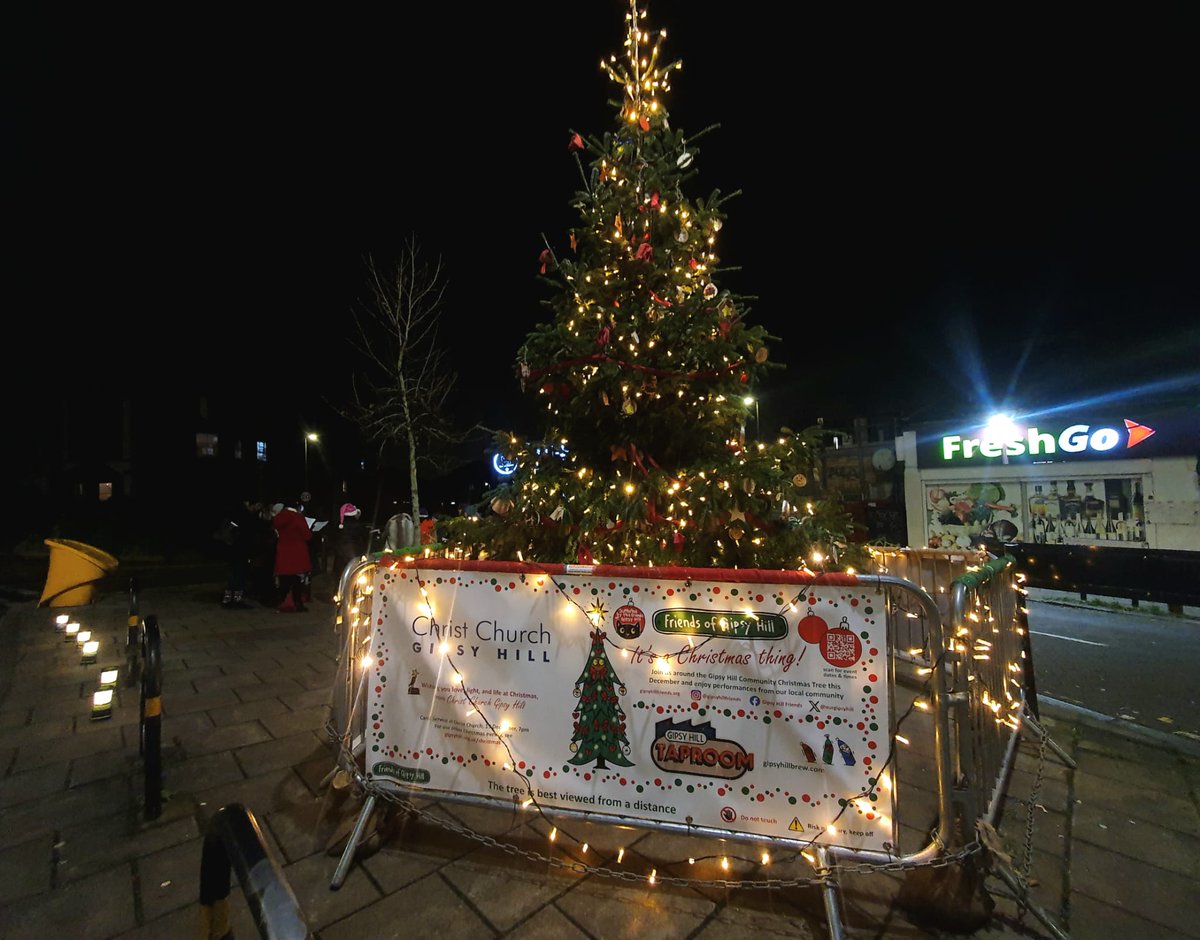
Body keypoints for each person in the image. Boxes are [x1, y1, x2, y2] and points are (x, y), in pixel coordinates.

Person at [272, 499, 312, 612]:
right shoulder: (298, 518)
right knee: (297, 580)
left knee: (284, 579)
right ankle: (297, 603)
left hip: (283, 551)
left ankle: (282, 602)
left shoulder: (278, 518)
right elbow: (307, 535)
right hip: (297, 552)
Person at [216, 499, 256, 608]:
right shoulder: (243, 516)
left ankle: (228, 598)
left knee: (233, 574)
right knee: (239, 574)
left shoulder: (231, 514)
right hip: (240, 550)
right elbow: (247, 533)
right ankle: (236, 599)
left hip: (231, 550)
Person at [331, 502, 370, 581]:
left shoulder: (338, 526)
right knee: (355, 580)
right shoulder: (358, 526)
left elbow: (333, 541)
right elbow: (366, 538)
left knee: (340, 581)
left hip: (340, 559)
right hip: (355, 557)